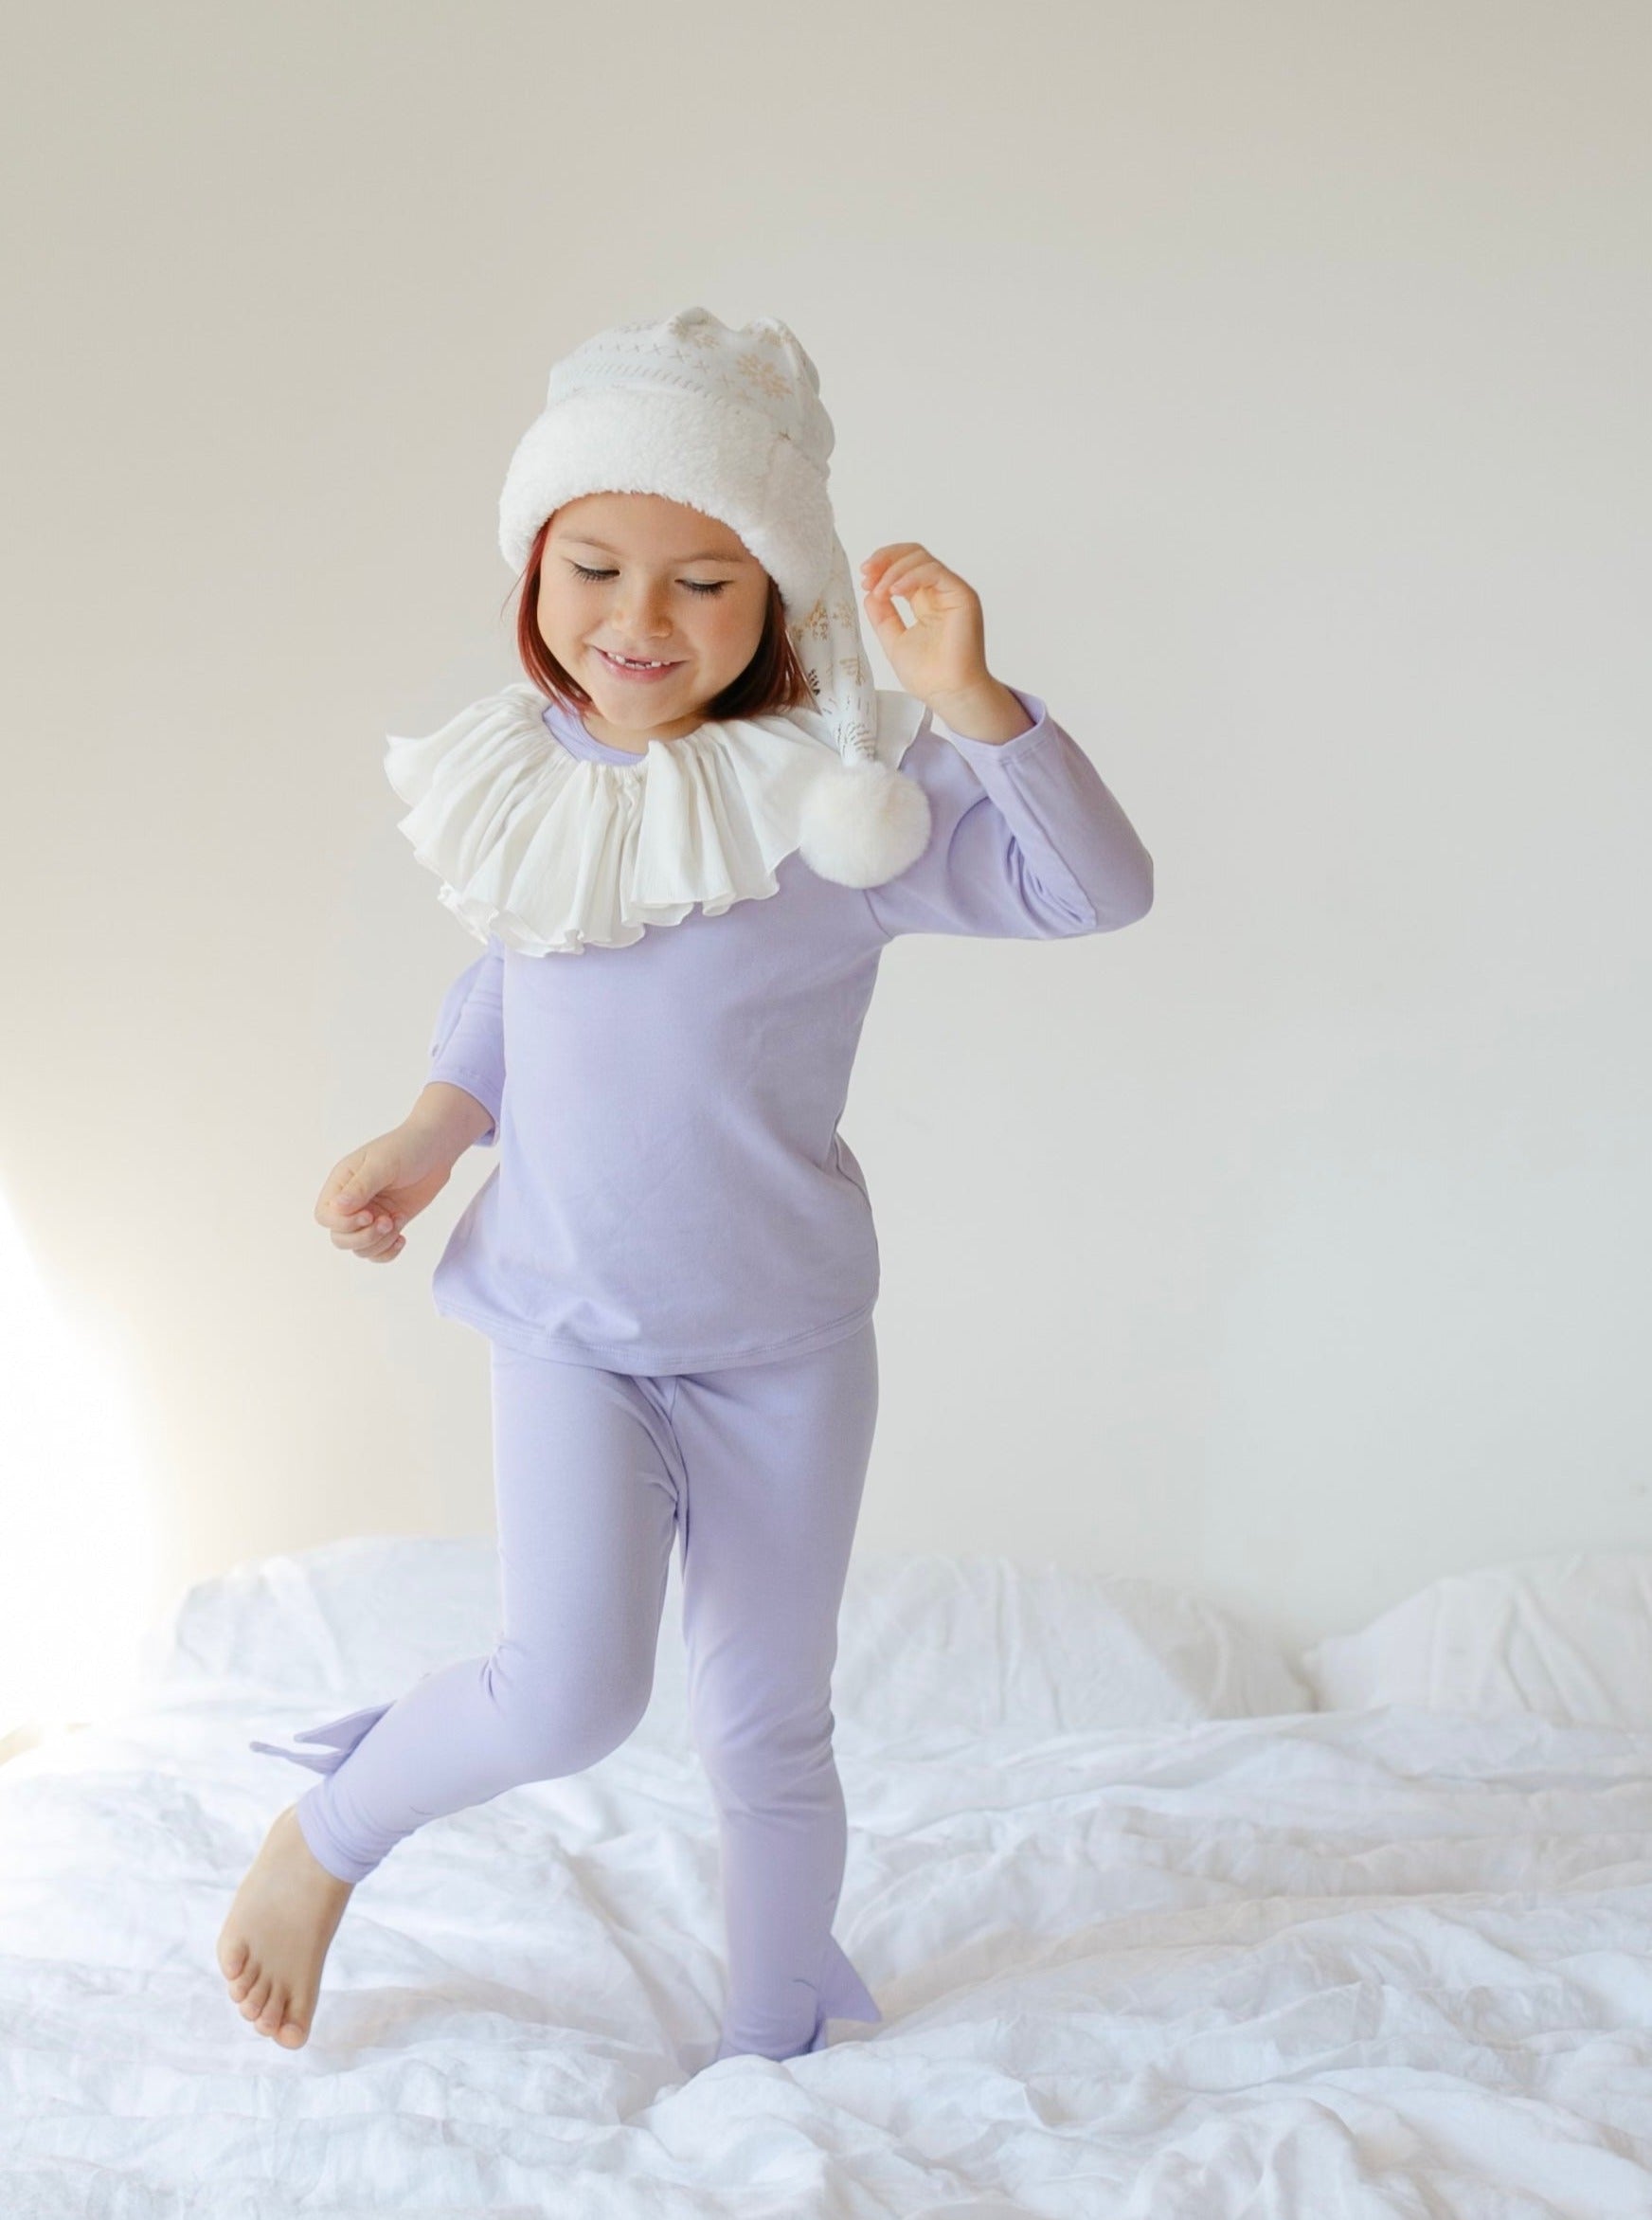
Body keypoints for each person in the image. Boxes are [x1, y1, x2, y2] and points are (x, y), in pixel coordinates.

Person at [215, 306, 1155, 2066]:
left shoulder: (838, 808)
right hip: (571, 1326)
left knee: (765, 1730)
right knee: (567, 1692)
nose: (639, 623)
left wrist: (974, 703)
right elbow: (519, 976)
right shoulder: (530, 780)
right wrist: (429, 1133)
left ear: (777, 601)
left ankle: (778, 2043)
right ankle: (323, 1837)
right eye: (596, 567)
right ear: (536, 570)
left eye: (704, 583)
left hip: (783, 1347)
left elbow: (1097, 888)